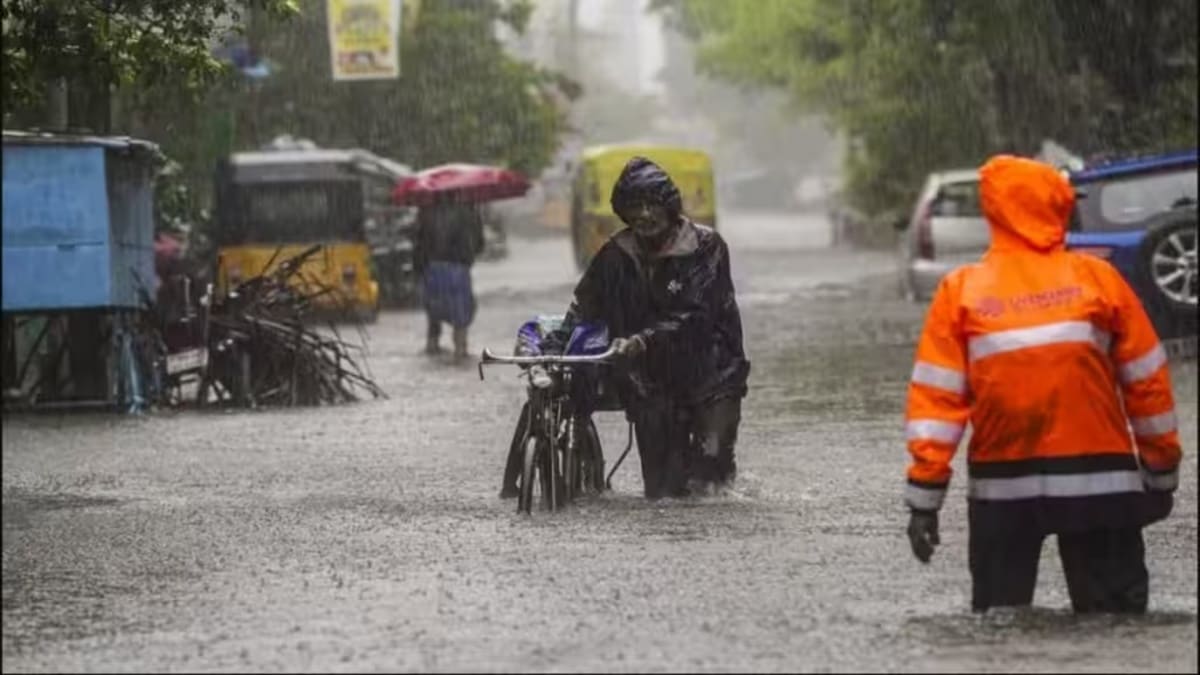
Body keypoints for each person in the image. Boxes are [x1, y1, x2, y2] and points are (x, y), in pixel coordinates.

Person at [902, 154, 1182, 613]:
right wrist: (1161, 474)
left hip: (1002, 491)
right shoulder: (1099, 280)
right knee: (1115, 629)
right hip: (1101, 485)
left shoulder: (961, 291)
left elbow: (937, 404)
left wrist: (924, 501)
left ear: (992, 212)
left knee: (1000, 627)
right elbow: (1148, 385)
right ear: (1059, 205)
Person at [542, 156, 751, 500]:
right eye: (634, 206)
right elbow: (586, 305)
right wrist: (559, 342)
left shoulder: (707, 247)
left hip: (713, 375)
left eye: (651, 204)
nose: (644, 214)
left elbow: (698, 315)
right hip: (649, 381)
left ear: (669, 206)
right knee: (661, 492)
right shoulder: (615, 254)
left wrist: (644, 339)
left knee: (712, 481)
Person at [413, 195, 485, 360]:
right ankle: (460, 347)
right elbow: (480, 244)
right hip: (459, 267)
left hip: (433, 267)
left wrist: (419, 268)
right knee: (461, 308)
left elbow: (419, 244)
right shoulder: (470, 212)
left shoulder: (426, 213)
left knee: (434, 306)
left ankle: (432, 344)